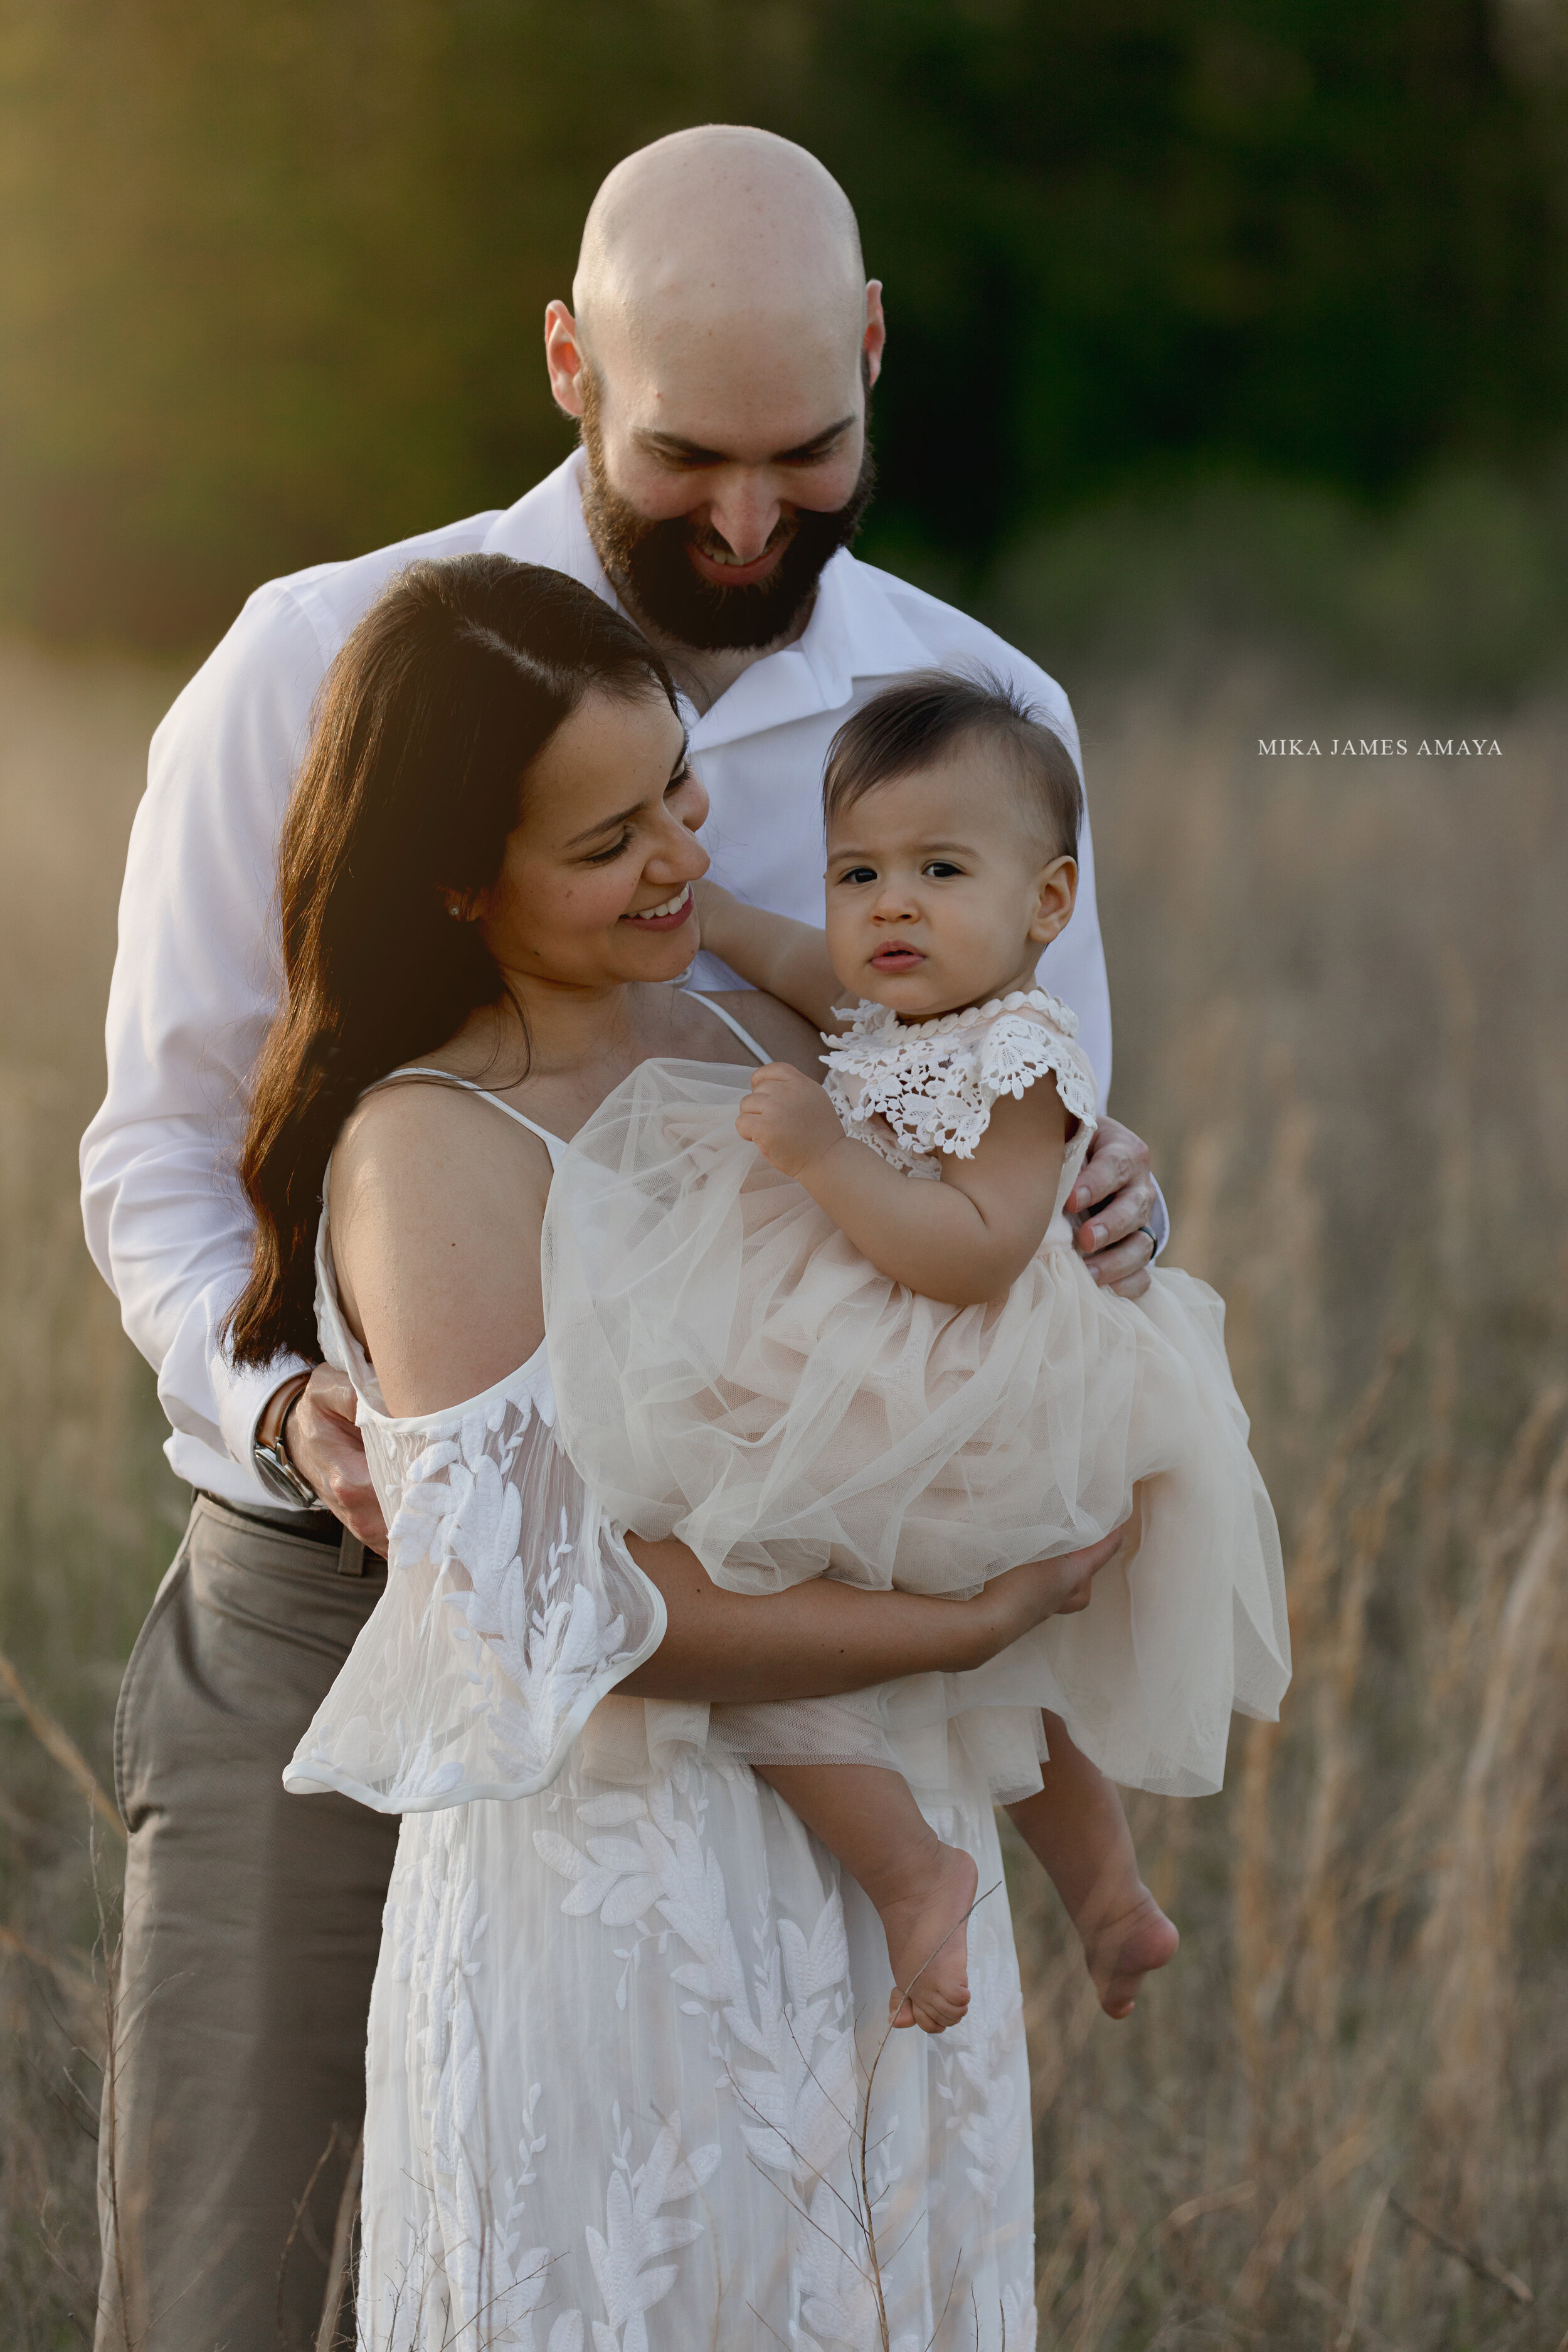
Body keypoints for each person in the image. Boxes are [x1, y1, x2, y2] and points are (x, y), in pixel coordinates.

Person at [81, 125, 1160, 2348]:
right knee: (240, 2291)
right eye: (686, 458)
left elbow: (991, 1131)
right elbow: (161, 1152)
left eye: (808, 453)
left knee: (732, 2271)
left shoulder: (985, 719)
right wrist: (290, 1412)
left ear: (873, 359)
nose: (751, 523)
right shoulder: (308, 666)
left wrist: (1083, 1201)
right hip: (326, 1603)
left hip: (776, 1639)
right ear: (569, 364)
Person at [230, 554, 1118, 2348]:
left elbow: (975, 1224)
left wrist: (1104, 1195)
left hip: (892, 1884)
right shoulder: (428, 1150)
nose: (681, 862)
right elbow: (564, 1606)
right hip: (621, 1906)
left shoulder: (760, 1027)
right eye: (606, 840)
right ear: (461, 878)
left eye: (680, 795)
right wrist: (953, 1630)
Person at [544, 670, 1291, 2038]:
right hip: (887, 1358)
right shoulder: (878, 998)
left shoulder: (1016, 1055)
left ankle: (936, 1876)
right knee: (878, 1633)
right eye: (857, 871)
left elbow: (976, 1250)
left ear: (1045, 904)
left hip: (968, 1369)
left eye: (938, 869)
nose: (887, 904)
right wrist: (661, 901)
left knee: (753, 1589)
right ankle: (1102, 1897)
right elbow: (756, 943)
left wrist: (822, 1157)